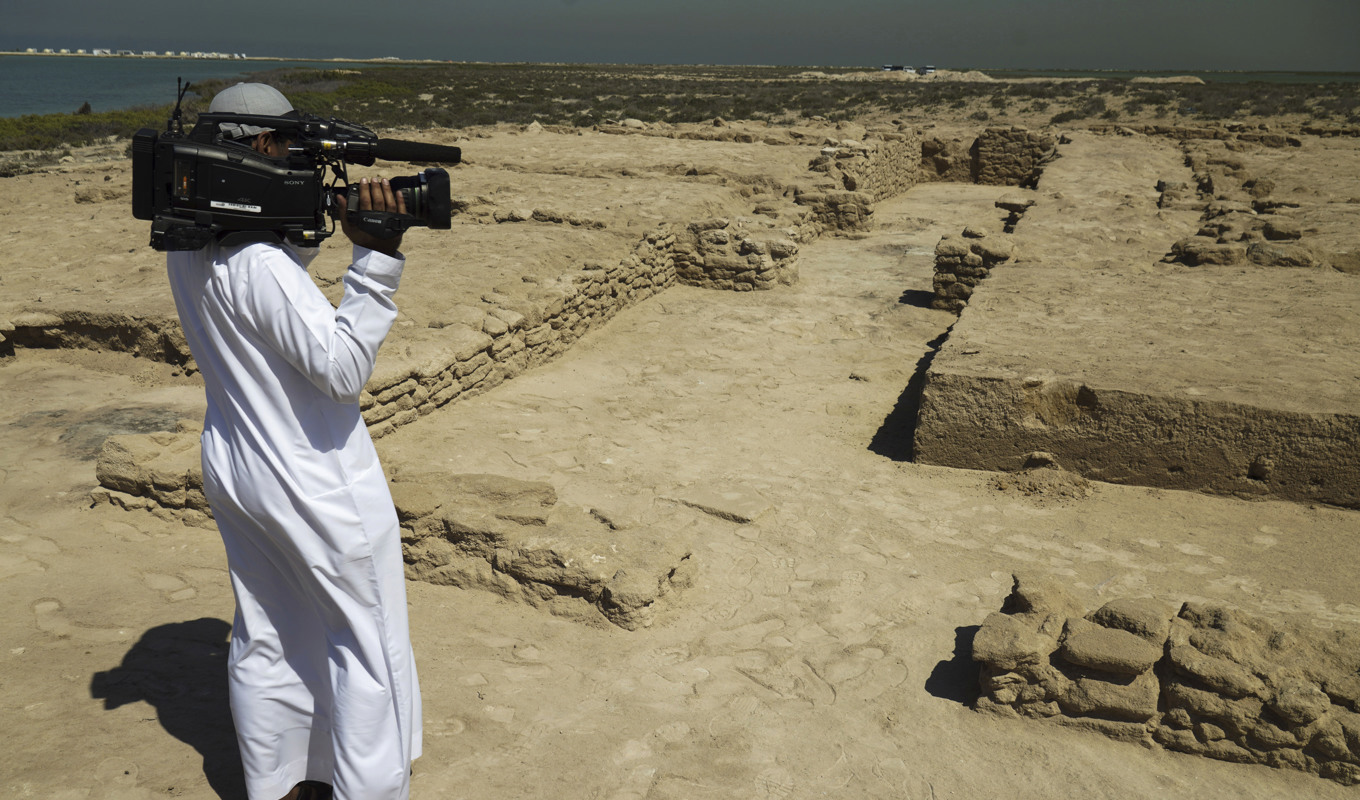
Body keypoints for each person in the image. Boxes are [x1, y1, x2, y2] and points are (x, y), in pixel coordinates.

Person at [165, 83, 421, 800]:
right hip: (313, 481)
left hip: (238, 464)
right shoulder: (261, 266)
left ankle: (279, 779)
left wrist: (314, 225)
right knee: (366, 647)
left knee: (268, 632)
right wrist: (376, 259)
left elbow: (265, 303)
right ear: (262, 148)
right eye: (287, 150)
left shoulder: (189, 246)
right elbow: (340, 371)